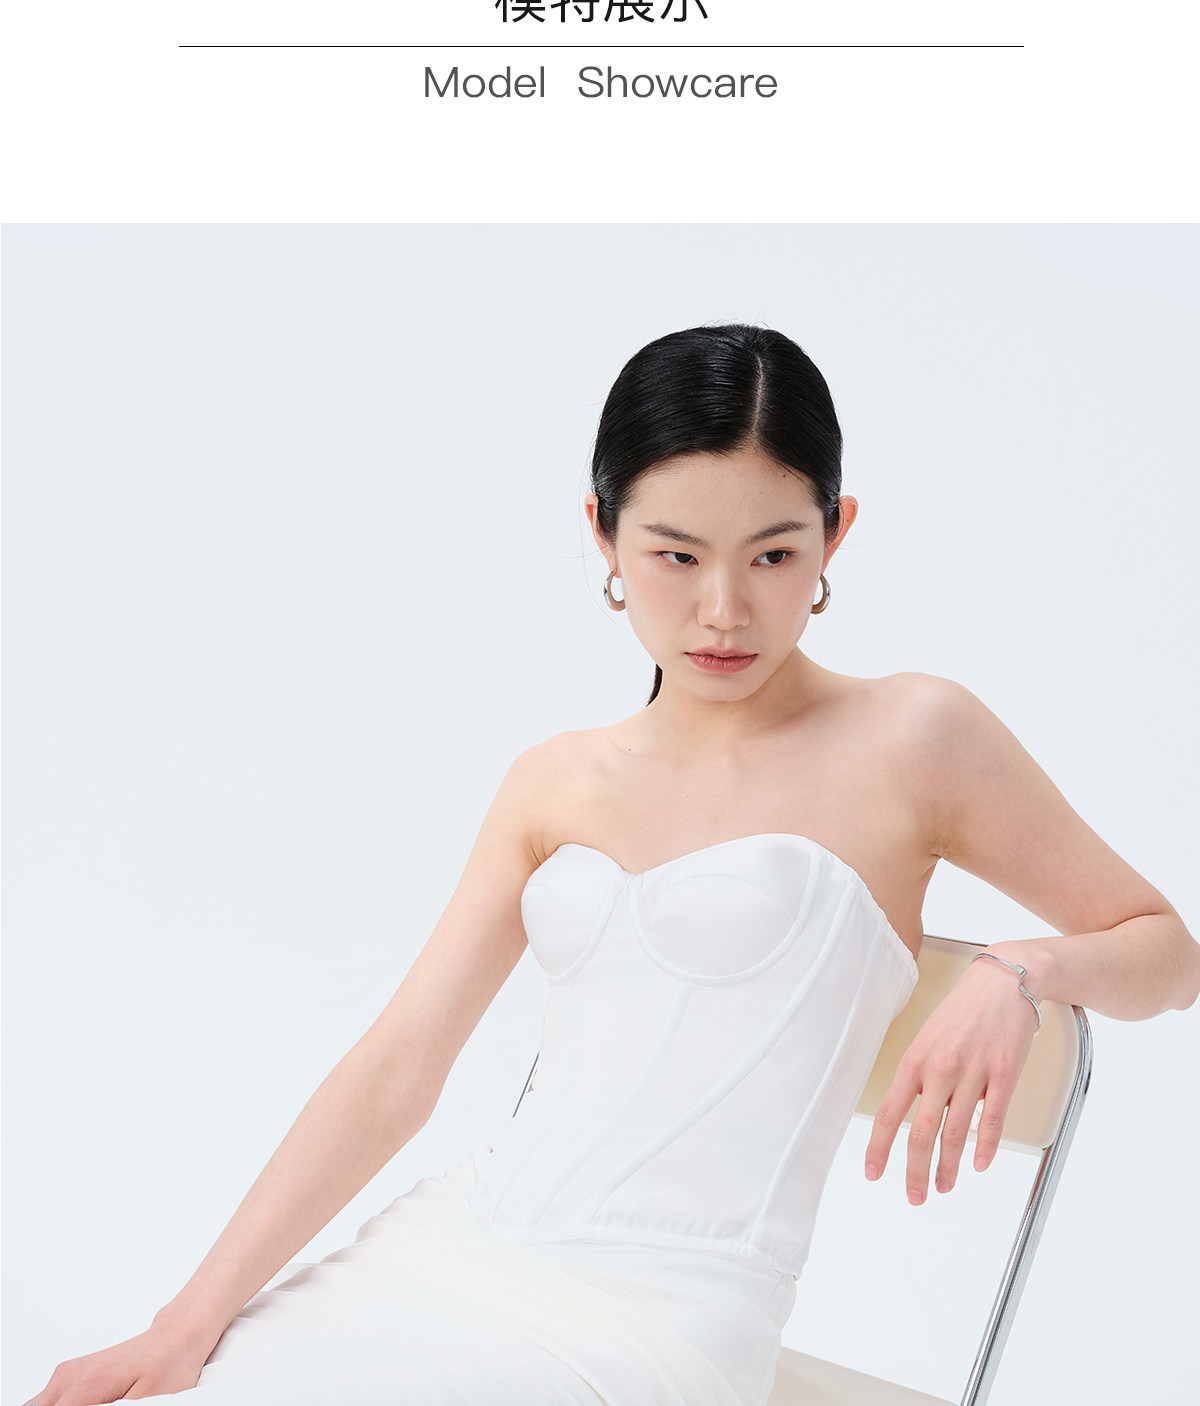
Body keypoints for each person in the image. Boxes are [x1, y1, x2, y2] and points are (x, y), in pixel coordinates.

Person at [25, 323, 1199, 1406]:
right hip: (455, 1247)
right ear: (603, 532)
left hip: (661, 1319)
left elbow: (1169, 952)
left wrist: (1022, 969)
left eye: (774, 553)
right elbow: (396, 1065)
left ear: (836, 533)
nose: (724, 609)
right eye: (676, 553)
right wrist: (184, 1321)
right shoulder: (555, 778)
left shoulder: (916, 738)